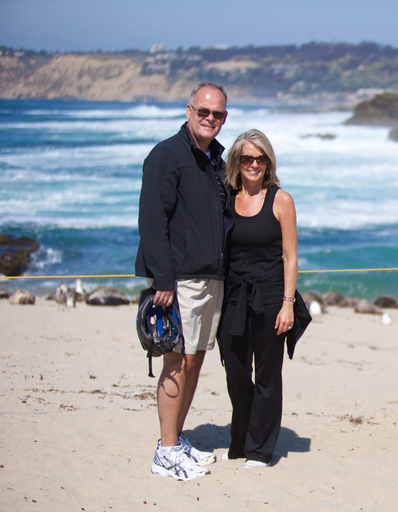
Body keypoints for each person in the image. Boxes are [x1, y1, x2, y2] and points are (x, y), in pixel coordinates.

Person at [135, 82, 230, 481]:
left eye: (218, 114)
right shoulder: (166, 155)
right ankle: (166, 450)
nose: (210, 119)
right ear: (189, 110)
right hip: (179, 281)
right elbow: (152, 220)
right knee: (176, 361)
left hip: (212, 277)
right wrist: (163, 279)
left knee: (195, 359)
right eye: (204, 111)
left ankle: (176, 438)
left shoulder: (214, 161)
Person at [218, 129, 310, 468]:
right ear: (237, 162)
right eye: (247, 159)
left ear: (268, 162)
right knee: (237, 373)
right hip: (234, 297)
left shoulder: (281, 199)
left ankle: (259, 450)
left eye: (260, 159)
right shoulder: (227, 198)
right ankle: (241, 440)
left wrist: (288, 303)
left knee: (268, 376)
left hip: (271, 297)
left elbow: (290, 257)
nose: (254, 164)